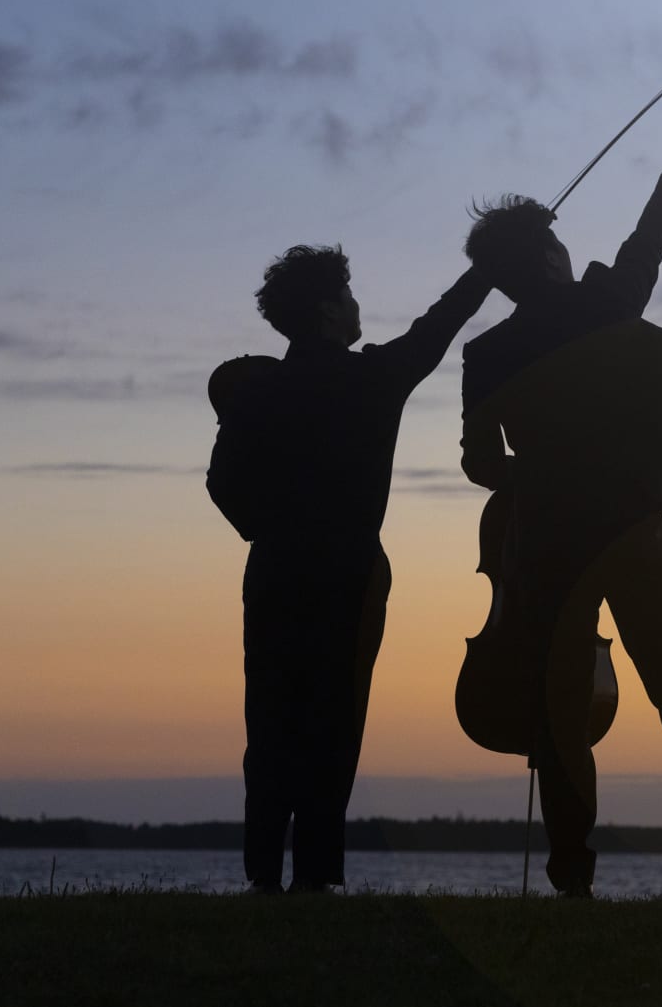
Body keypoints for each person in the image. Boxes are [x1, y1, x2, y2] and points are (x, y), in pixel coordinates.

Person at [458, 110, 662, 900]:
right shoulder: (605, 304)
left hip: (551, 544)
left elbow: (479, 463)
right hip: (635, 525)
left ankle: (571, 877)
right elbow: (649, 236)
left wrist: (531, 479)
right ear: (552, 255)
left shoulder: (485, 353)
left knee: (562, 713)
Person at [207, 245, 491, 893]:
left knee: (271, 718)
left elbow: (222, 484)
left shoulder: (258, 389)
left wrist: (262, 524)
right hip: (351, 571)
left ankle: (262, 875)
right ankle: (315, 875)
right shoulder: (375, 376)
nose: (359, 307)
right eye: (352, 296)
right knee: (334, 720)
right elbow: (439, 325)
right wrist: (489, 268)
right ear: (333, 310)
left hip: (274, 567)